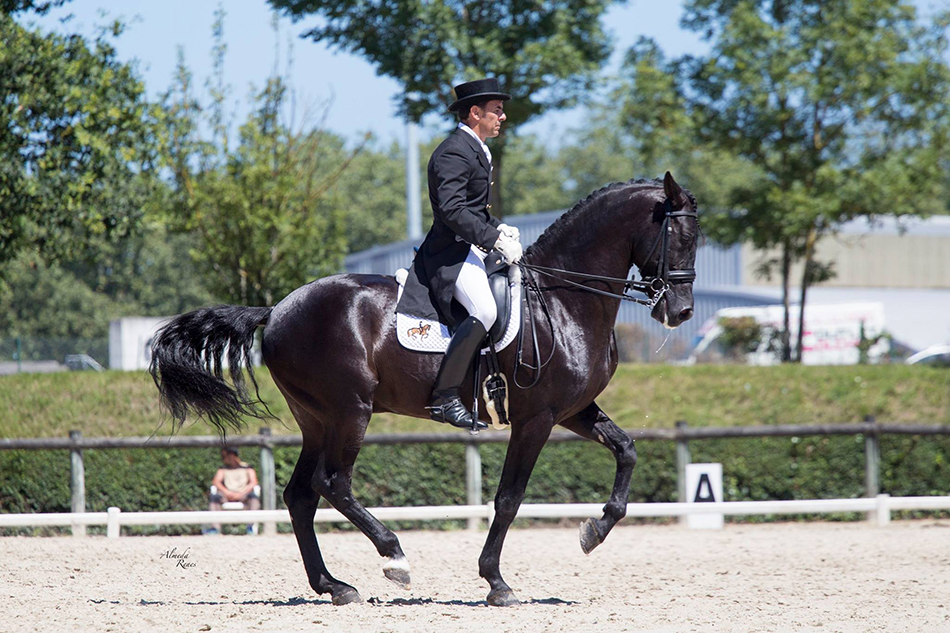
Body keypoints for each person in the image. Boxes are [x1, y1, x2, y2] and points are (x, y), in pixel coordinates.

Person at [395, 77, 523, 430]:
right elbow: (452, 211)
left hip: (471, 246)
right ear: (474, 112)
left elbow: (474, 209)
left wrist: (498, 228)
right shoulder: (453, 151)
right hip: (450, 252)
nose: (503, 117)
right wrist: (492, 238)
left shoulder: (477, 149)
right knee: (484, 309)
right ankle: (446, 397)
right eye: (497, 110)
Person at [205, 447, 260, 534]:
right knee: (214, 498)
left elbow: (253, 482)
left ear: (232, 455)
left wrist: (241, 493)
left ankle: (250, 527)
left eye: (224, 456)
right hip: (227, 494)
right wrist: (227, 492)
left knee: (254, 498)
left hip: (243, 494)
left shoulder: (247, 467)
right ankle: (215, 528)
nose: (223, 459)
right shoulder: (223, 469)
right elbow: (216, 481)